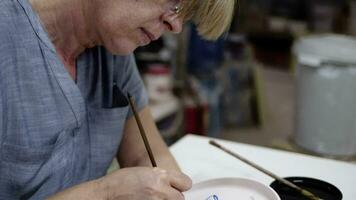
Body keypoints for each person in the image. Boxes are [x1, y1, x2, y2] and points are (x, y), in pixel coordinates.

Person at [0, 0, 235, 199]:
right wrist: (106, 192)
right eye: (175, 2)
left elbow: (145, 154)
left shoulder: (111, 47)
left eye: (184, 14)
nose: (175, 25)